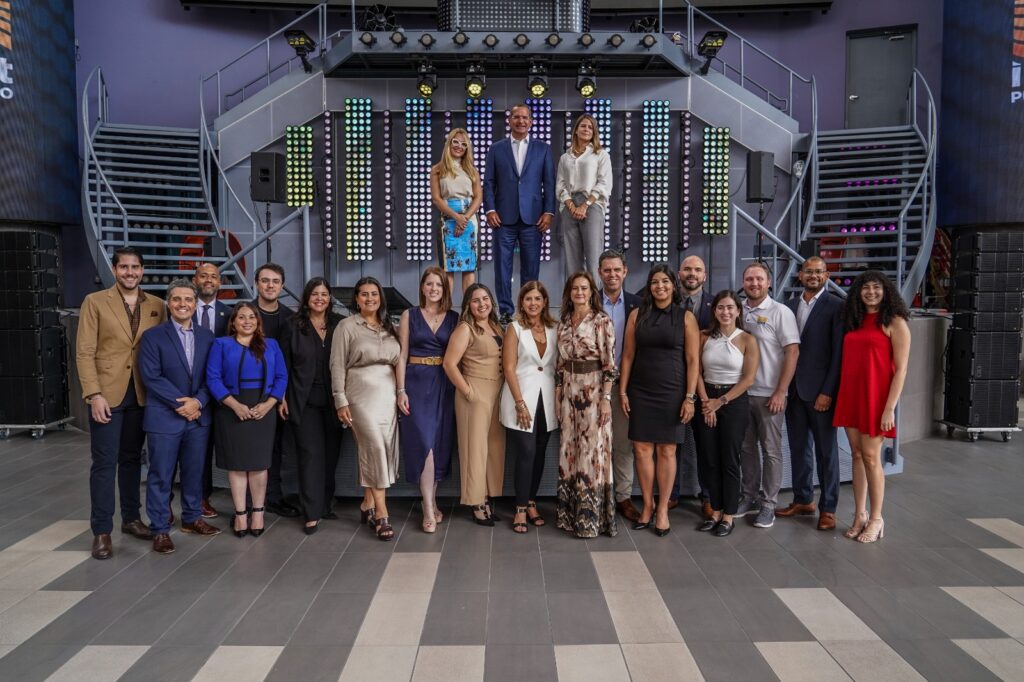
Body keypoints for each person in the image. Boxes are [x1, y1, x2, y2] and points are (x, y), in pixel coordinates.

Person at [77, 247, 165, 560]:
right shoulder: (95, 302)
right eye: (124, 267)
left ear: (142, 270)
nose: (130, 272)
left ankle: (131, 519)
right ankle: (102, 531)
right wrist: (93, 394)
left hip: (142, 394)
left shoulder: (157, 305)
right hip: (107, 395)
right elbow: (85, 352)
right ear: (115, 270)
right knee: (104, 463)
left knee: (131, 460)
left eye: (135, 267)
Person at [139, 279, 221, 554]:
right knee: (161, 475)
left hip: (198, 417)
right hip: (165, 417)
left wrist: (198, 401)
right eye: (177, 299)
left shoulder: (208, 337)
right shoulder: (152, 337)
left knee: (194, 472)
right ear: (168, 303)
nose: (183, 304)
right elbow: (151, 377)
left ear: (196, 304)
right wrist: (182, 404)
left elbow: (213, 375)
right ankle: (160, 529)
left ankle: (191, 518)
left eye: (188, 299)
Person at [619, 265, 700, 537]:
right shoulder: (636, 315)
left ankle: (663, 509)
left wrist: (690, 397)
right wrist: (623, 391)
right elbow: (627, 356)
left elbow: (692, 361)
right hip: (641, 390)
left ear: (673, 286)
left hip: (673, 391)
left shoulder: (685, 317)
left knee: (667, 450)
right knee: (641, 449)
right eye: (655, 282)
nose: (660, 287)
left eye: (665, 281)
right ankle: (647, 505)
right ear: (649, 286)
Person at [833, 271, 910, 543]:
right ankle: (859, 515)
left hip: (877, 399)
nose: (871, 293)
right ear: (858, 292)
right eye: (866, 288)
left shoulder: (895, 322)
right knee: (855, 455)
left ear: (886, 291)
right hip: (852, 394)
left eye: (877, 288)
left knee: (871, 457)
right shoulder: (853, 320)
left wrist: (890, 408)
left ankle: (877, 518)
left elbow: (900, 370)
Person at [206, 302, 288, 538]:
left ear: (258, 321)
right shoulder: (221, 345)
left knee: (259, 464)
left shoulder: (271, 345)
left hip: (264, 408)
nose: (247, 321)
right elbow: (213, 378)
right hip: (231, 408)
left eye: (252, 317)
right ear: (233, 321)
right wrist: (235, 406)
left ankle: (258, 513)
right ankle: (241, 514)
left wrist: (269, 404)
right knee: (238, 465)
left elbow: (282, 376)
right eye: (242, 317)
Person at [331, 277, 401, 541]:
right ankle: (382, 513)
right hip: (359, 393)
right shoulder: (346, 326)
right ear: (356, 299)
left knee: (381, 448)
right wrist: (340, 400)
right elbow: (337, 365)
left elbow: (398, 363)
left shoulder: (390, 326)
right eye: (364, 294)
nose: (369, 298)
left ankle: (367, 504)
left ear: (380, 297)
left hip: (387, 396)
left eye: (374, 293)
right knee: (374, 446)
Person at [778, 257, 845, 531]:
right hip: (794, 391)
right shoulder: (790, 305)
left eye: (819, 272)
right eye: (809, 271)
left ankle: (828, 508)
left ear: (826, 275)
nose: (814, 276)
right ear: (800, 275)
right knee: (798, 449)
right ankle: (803, 498)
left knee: (826, 452)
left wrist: (828, 391)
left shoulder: (836, 307)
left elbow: (838, 354)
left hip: (820, 393)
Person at [737, 262, 800, 530]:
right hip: (741, 394)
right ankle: (748, 496)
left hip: (768, 395)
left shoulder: (780, 312)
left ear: (769, 282)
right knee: (746, 449)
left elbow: (792, 351)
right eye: (749, 279)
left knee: (771, 451)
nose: (754, 283)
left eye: (759, 279)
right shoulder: (737, 310)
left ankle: (769, 504)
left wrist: (781, 391)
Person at [279, 277, 344, 534]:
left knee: (331, 455)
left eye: (324, 294)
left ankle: (326, 504)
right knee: (310, 456)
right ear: (307, 297)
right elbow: (282, 365)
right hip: (303, 401)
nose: (320, 298)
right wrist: (281, 396)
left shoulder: (340, 324)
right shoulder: (293, 325)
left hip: (335, 401)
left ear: (330, 298)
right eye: (315, 293)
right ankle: (311, 511)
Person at [555, 272, 617, 538]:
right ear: (569, 292)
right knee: (569, 451)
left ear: (592, 291)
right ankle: (569, 516)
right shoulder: (564, 322)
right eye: (575, 288)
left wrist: (605, 399)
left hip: (593, 392)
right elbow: (559, 364)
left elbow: (610, 365)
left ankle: (591, 520)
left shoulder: (602, 321)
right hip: (568, 391)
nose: (579, 292)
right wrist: (558, 396)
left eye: (584, 288)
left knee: (592, 452)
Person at [396, 267, 459, 533]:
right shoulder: (409, 315)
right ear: (422, 287)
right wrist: (400, 390)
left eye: (439, 285)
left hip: (444, 383)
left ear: (445, 290)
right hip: (416, 381)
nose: (434, 288)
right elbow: (401, 355)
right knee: (424, 442)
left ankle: (430, 501)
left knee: (438, 444)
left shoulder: (455, 318)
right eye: (429, 284)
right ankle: (427, 505)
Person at [694, 290, 760, 537]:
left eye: (730, 307)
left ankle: (729, 515)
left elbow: (749, 379)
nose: (725, 312)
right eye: (721, 307)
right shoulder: (703, 337)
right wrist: (705, 402)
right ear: (714, 311)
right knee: (709, 459)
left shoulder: (748, 340)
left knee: (729, 459)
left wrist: (719, 402)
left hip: (733, 401)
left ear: (738, 311)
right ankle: (715, 511)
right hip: (706, 397)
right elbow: (697, 372)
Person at [483, 103, 556, 324]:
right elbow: (488, 182)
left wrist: (549, 212)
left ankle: (529, 310)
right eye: (516, 117)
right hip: (502, 218)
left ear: (531, 121)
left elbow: (549, 183)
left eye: (525, 117)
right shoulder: (496, 148)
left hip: (533, 218)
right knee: (502, 268)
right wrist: (490, 209)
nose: (521, 121)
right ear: (510, 120)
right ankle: (505, 311)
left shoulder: (542, 149)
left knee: (531, 268)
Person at [443, 283, 507, 526]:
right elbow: (449, 364)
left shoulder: (495, 327)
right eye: (476, 300)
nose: (482, 304)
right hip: (475, 393)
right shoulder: (465, 329)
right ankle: (476, 502)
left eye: (485, 299)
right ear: (468, 305)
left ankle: (488, 497)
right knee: (475, 450)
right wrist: (469, 392)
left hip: (496, 393)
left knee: (493, 448)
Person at [499, 281, 558, 534]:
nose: (533, 303)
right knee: (526, 453)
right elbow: (509, 368)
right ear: (521, 302)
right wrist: (520, 403)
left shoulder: (555, 328)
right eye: (528, 299)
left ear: (545, 301)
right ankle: (521, 508)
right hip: (520, 398)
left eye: (537, 298)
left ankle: (532, 502)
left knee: (540, 452)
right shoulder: (515, 328)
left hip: (547, 400)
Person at [252, 263, 300, 519]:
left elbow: (289, 360)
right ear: (256, 283)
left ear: (282, 286)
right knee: (250, 448)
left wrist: (281, 396)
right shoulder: (244, 313)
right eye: (265, 280)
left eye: (275, 281)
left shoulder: (290, 319)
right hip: (247, 392)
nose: (270, 285)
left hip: (278, 395)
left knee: (277, 447)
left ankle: (273, 497)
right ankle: (249, 500)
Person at [597, 251, 641, 522]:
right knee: (596, 444)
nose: (612, 275)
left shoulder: (639, 304)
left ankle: (623, 497)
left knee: (624, 444)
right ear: (599, 273)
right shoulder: (588, 302)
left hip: (627, 384)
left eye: (616, 270)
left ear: (625, 272)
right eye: (606, 270)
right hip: (594, 385)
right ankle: (599, 495)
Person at [671, 254, 714, 517]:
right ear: (679, 273)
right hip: (674, 382)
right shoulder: (665, 300)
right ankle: (672, 493)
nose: (692, 274)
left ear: (704, 276)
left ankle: (708, 497)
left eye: (697, 270)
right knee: (671, 443)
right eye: (687, 269)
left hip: (707, 385)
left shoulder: (716, 304)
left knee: (705, 445)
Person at [191, 262, 231, 520]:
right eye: (203, 276)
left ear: (220, 283)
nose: (208, 280)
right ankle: (197, 498)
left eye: (213, 277)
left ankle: (205, 497)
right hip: (192, 392)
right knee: (196, 451)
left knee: (214, 448)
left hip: (223, 392)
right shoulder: (181, 309)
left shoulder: (230, 314)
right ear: (195, 279)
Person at [557, 114, 612, 279]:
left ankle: (595, 302)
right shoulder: (565, 157)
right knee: (572, 259)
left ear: (594, 132)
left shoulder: (601, 154)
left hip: (592, 206)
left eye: (590, 127)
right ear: (575, 131)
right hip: (569, 206)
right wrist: (572, 206)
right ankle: (575, 303)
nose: (586, 129)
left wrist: (585, 205)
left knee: (594, 259)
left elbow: (604, 183)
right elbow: (560, 185)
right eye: (583, 126)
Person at [432, 128, 482, 295]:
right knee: (448, 268)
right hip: (447, 220)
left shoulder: (472, 170)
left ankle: (468, 311)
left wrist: (464, 219)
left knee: (469, 268)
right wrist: (456, 218)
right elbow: (437, 199)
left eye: (464, 144)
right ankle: (446, 310)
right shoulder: (437, 169)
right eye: (456, 142)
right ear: (449, 143)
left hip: (469, 220)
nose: (459, 146)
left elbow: (478, 198)